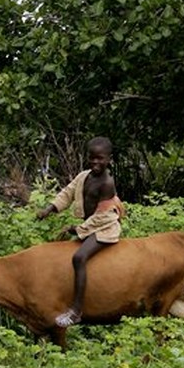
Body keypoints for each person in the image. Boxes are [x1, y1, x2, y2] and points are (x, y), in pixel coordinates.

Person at [36, 136, 125, 327]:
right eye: (92, 158)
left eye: (100, 158)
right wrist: (50, 209)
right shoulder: (84, 176)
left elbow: (104, 215)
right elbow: (67, 193)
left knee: (79, 258)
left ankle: (76, 310)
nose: (95, 162)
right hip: (90, 225)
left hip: (104, 228)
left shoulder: (107, 183)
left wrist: (78, 229)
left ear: (109, 159)